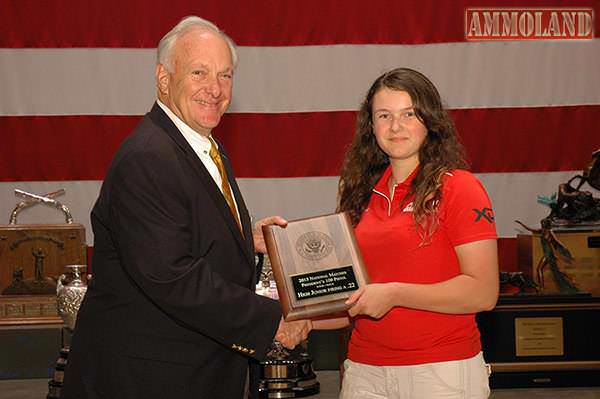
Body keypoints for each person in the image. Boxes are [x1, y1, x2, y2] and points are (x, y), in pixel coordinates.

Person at [61, 16, 310, 399]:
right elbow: (172, 276)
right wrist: (271, 321)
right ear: (164, 79)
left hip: (192, 373)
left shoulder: (199, 145)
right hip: (146, 380)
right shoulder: (149, 157)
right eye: (199, 72)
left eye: (225, 76)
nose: (215, 89)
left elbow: (185, 232)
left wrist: (246, 237)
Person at [311, 67, 499, 399]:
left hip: (441, 373)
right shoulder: (359, 195)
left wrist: (396, 294)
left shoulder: (459, 188)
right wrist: (301, 321)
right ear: (371, 126)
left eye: (408, 114)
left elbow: (483, 293)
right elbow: (351, 297)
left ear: (429, 120)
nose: (396, 126)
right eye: (384, 115)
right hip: (364, 373)